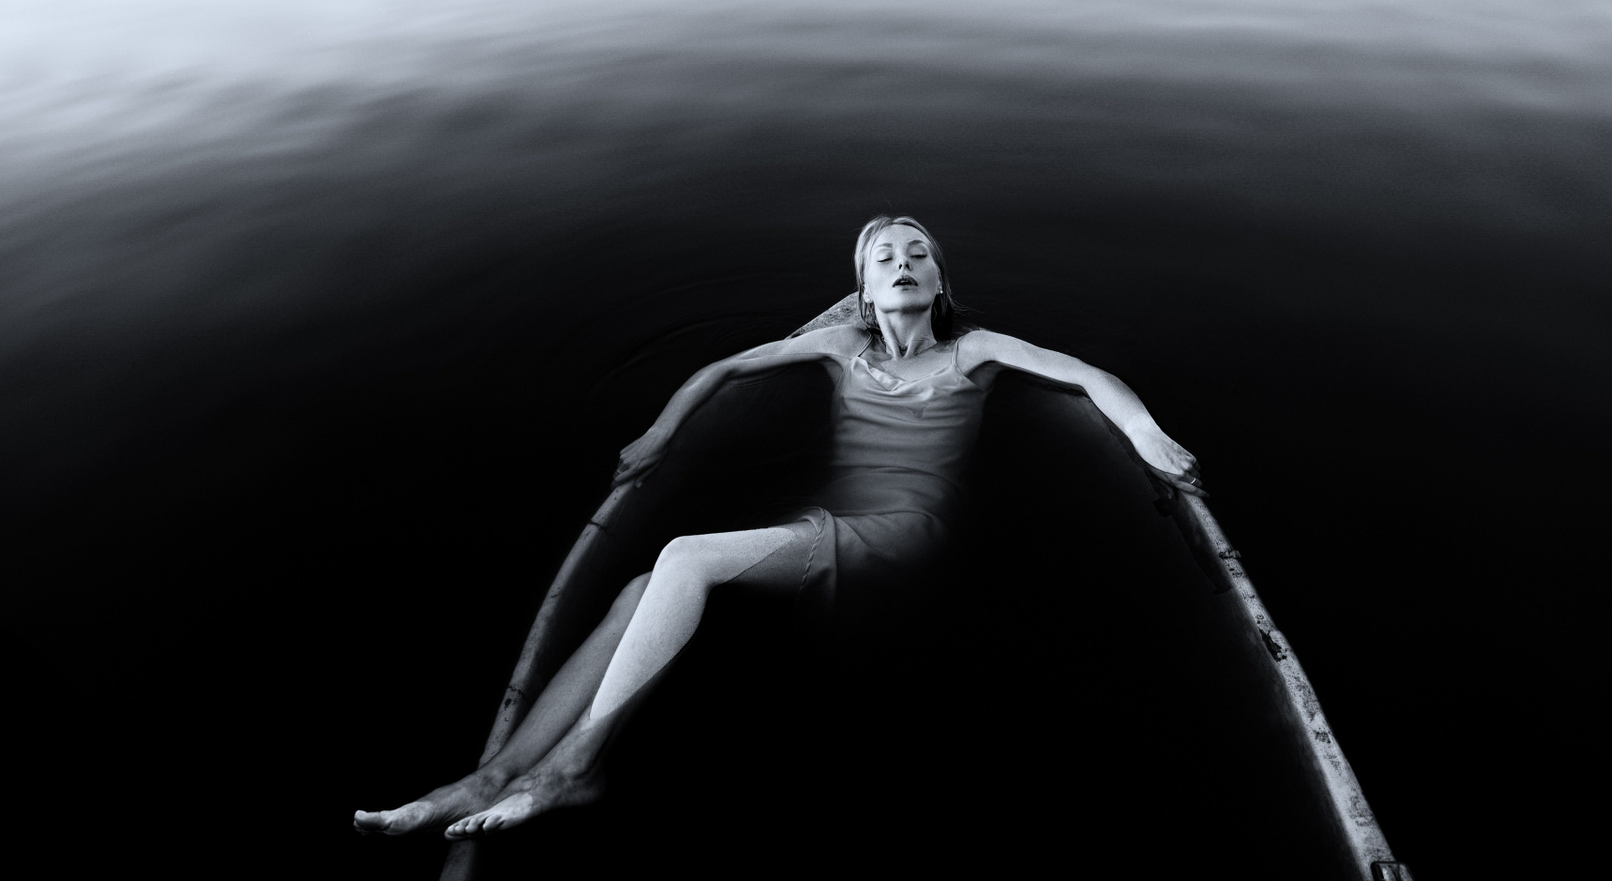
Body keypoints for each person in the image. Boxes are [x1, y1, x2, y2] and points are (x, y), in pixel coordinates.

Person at [355, 216, 1200, 839]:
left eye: (918, 255)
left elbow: (1086, 374)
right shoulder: (839, 347)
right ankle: (493, 774)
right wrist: (660, 432)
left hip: (907, 529)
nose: (904, 264)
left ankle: (577, 765)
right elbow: (723, 366)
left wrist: (1145, 433)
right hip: (834, 523)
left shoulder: (973, 351)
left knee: (684, 556)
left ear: (941, 283)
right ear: (863, 292)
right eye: (885, 258)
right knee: (643, 586)